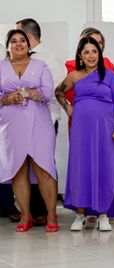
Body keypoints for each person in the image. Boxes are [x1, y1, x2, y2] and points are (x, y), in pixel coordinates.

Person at [55, 36, 114, 232]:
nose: (91, 55)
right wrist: (68, 107)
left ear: (99, 53)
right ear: (80, 55)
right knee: (80, 167)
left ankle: (103, 215)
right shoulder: (75, 76)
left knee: (104, 168)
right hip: (81, 130)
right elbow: (58, 92)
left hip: (105, 130)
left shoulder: (111, 76)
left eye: (94, 51)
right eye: (86, 52)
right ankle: (80, 214)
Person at [0, 29, 58, 233]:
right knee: (18, 170)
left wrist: (30, 93)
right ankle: (25, 215)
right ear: (8, 46)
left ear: (29, 44)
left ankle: (51, 214)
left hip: (39, 122)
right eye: (13, 41)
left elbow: (49, 93)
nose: (18, 44)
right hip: (10, 124)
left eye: (22, 41)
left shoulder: (41, 66)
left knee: (44, 168)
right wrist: (8, 98)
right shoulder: (1, 67)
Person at [14, 18, 66, 227]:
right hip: (18, 120)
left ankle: (47, 212)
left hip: (44, 120)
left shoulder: (50, 60)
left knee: (43, 166)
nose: (15, 41)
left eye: (19, 36)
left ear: (28, 36)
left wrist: (24, 91)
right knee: (22, 165)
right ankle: (29, 211)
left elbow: (49, 92)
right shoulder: (14, 60)